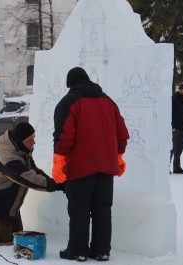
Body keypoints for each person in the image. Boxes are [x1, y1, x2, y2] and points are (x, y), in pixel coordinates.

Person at [52, 67, 129, 262]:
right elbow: (122, 133)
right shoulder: (108, 102)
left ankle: (77, 251)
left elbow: (64, 136)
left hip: (80, 167)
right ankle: (101, 251)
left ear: (70, 84)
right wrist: (118, 157)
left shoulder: (69, 103)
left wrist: (59, 161)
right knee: (103, 209)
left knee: (79, 209)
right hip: (106, 166)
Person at [0, 122, 62, 243]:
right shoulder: (6, 155)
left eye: (34, 138)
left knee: (17, 235)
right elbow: (26, 177)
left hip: (9, 204)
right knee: (3, 237)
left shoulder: (23, 150)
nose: (34, 142)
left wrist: (55, 181)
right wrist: (55, 185)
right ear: (21, 140)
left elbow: (34, 171)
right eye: (31, 139)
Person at [171, 84, 183, 174]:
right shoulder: (173, 99)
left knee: (179, 148)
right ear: (179, 90)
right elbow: (170, 113)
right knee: (172, 148)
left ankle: (177, 167)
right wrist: (172, 126)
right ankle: (166, 167)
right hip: (175, 128)